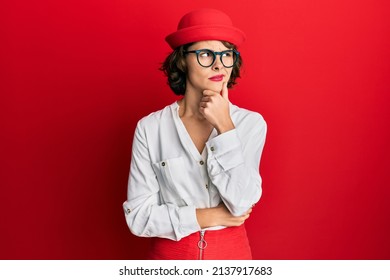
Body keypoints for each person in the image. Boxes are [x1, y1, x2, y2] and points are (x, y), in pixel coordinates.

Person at [123, 8, 267, 260]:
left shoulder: (250, 124)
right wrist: (208, 216)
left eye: (226, 54)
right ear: (182, 60)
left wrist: (225, 128)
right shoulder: (151, 128)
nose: (219, 64)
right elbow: (138, 217)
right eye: (205, 54)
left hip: (232, 259)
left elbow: (242, 202)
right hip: (168, 260)